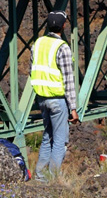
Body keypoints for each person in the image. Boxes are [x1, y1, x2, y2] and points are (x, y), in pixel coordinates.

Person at [30, 10, 79, 181]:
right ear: (64, 26)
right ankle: (52, 179)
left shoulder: (38, 43)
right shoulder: (62, 47)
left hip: (42, 98)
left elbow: (32, 70)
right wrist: (73, 108)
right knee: (60, 141)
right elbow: (68, 81)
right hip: (58, 100)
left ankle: (40, 177)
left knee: (47, 137)